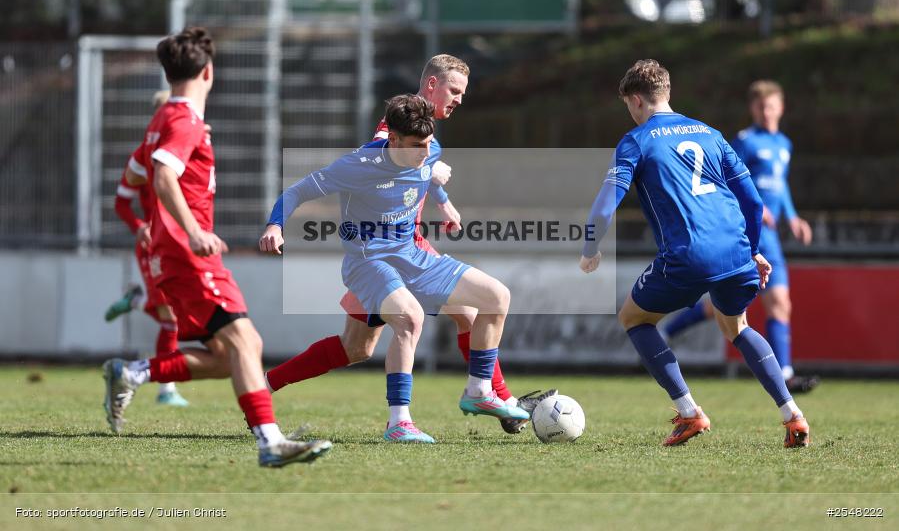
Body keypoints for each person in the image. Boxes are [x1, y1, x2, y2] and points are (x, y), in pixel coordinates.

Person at [262, 54, 554, 437]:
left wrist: (443, 199)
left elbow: (422, 165)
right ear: (431, 86)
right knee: (364, 345)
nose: (459, 100)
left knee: (476, 307)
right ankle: (274, 389)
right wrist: (275, 224)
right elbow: (384, 156)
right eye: (454, 90)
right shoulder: (387, 140)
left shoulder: (426, 137)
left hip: (409, 249)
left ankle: (491, 395)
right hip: (376, 254)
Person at [102, 27, 332, 467]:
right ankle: (270, 442)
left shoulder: (163, 119)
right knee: (248, 341)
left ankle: (133, 372)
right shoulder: (185, 121)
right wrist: (191, 228)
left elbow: (135, 177)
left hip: (171, 253)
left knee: (226, 356)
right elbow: (164, 176)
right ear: (208, 72)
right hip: (187, 252)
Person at [579, 60, 810, 448]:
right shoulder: (711, 134)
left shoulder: (636, 140)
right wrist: (752, 251)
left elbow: (604, 207)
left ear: (637, 100)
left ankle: (689, 412)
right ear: (667, 93)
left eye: (628, 106)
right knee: (737, 326)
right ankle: (793, 416)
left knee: (633, 318)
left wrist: (589, 248)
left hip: (688, 255)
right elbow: (752, 204)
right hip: (736, 251)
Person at [661, 80, 819, 394]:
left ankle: (785, 372)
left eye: (771, 105)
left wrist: (792, 215)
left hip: (772, 237)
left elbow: (781, 185)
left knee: (779, 304)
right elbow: (726, 179)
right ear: (753, 108)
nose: (766, 111)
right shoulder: (744, 142)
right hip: (747, 231)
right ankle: (668, 331)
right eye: (760, 106)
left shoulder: (784, 144)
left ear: (781, 107)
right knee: (722, 307)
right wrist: (754, 208)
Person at [104, 89, 188, 407]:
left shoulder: (188, 147)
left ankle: (137, 301)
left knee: (179, 312)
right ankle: (166, 389)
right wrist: (139, 227)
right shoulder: (142, 157)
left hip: (178, 242)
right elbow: (121, 202)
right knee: (172, 318)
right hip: (154, 246)